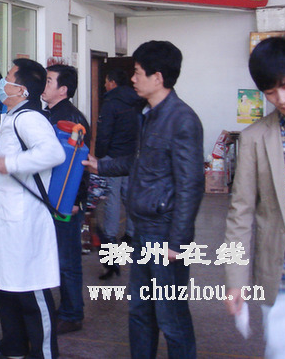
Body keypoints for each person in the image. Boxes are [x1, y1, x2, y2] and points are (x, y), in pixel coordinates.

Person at [83, 41, 204, 359]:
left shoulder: (182, 120)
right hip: (142, 229)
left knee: (171, 317)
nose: (133, 79)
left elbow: (191, 185)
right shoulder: (148, 114)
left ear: (158, 77)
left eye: (137, 73)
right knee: (140, 312)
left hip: (165, 233)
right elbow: (139, 162)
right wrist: (101, 165)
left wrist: (178, 243)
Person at [0, 59, 65, 359]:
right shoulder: (11, 116)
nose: (2, 83)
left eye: (7, 78)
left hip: (24, 220)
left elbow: (53, 153)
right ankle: (14, 345)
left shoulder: (29, 119)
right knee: (6, 285)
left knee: (30, 289)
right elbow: (3, 154)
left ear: (21, 90)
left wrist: (11, 163)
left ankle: (44, 353)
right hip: (5, 218)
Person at [223, 37, 285, 359]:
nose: (282, 99)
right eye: (270, 92)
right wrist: (235, 280)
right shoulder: (255, 139)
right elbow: (239, 216)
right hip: (284, 281)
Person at [40, 64, 91, 335]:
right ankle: (62, 309)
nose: (44, 85)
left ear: (63, 89)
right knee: (55, 256)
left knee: (67, 260)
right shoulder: (48, 114)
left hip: (65, 201)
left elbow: (79, 166)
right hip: (52, 198)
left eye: (49, 81)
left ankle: (72, 314)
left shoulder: (72, 121)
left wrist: (76, 201)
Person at [94, 68, 144, 280]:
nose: (105, 84)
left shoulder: (111, 103)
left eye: (106, 81)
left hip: (113, 157)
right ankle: (131, 233)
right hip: (132, 155)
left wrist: (99, 155)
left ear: (113, 82)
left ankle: (110, 235)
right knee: (128, 194)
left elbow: (104, 133)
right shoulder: (138, 100)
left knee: (112, 198)